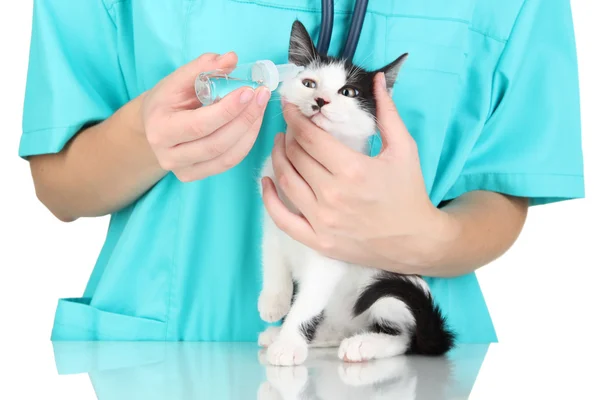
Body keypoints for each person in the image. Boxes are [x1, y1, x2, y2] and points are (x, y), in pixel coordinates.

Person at [20, 0, 584, 342]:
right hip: (168, 350)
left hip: (388, 358)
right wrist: (145, 138)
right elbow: (59, 186)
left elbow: (506, 186)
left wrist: (428, 239)